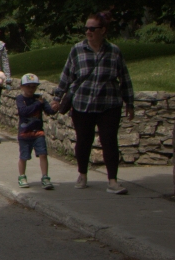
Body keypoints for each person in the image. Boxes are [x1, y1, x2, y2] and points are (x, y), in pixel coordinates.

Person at [54, 13, 135, 194]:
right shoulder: (77, 50)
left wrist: (130, 103)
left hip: (109, 104)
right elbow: (66, 76)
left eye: (92, 28)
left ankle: (113, 181)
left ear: (103, 30)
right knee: (83, 141)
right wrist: (57, 98)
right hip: (83, 104)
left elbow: (125, 78)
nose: (88, 32)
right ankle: (82, 174)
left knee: (109, 141)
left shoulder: (114, 51)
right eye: (86, 29)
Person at [14, 73, 55, 190]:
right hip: (24, 133)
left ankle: (45, 177)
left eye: (33, 87)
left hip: (38, 132)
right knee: (24, 156)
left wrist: (55, 108)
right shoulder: (20, 99)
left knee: (43, 154)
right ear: (22, 86)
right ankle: (22, 176)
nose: (31, 89)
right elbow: (24, 112)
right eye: (28, 86)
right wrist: (38, 103)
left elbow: (49, 110)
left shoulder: (39, 99)